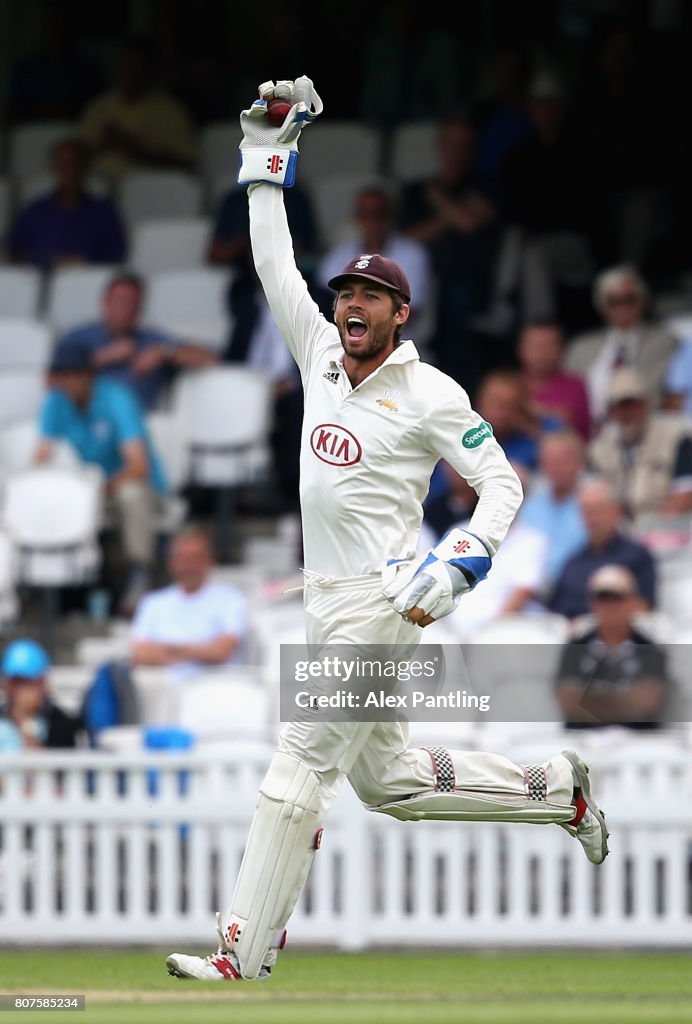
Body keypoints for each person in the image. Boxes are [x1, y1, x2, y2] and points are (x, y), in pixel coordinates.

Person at [166, 76, 609, 986]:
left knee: (296, 769)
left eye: (372, 295)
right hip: (326, 600)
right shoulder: (319, 352)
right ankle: (556, 790)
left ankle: (241, 950)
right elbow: (272, 267)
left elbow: (502, 483)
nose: (352, 305)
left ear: (400, 315)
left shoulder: (430, 391)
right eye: (347, 294)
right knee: (388, 783)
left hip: (382, 601)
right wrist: (263, 165)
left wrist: (459, 568)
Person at [36, 341, 168, 616]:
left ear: (90, 374)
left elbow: (138, 466)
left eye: (75, 373)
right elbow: (41, 460)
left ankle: (140, 573)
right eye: (63, 374)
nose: (69, 381)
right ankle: (55, 588)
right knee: (44, 495)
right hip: (89, 493)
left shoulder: (117, 399)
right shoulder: (55, 402)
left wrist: (96, 490)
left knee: (131, 494)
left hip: (131, 490)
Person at [59, 270, 218, 411]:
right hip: (84, 424)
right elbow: (54, 384)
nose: (126, 310)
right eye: (120, 302)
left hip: (138, 428)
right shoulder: (78, 337)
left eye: (133, 304)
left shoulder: (152, 340)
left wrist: (165, 353)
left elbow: (212, 359)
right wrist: (102, 358)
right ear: (105, 304)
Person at [315, 183, 433, 348]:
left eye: (379, 214)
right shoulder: (338, 256)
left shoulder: (412, 254)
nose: (372, 221)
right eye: (365, 214)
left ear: (391, 217)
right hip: (341, 345)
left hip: (399, 345)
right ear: (356, 218)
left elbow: (410, 313)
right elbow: (320, 306)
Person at [555, 564, 670, 731]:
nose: (611, 605)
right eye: (603, 597)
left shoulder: (651, 650)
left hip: (637, 743)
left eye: (618, 597)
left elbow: (647, 704)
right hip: (582, 742)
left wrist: (590, 700)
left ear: (633, 601)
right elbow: (569, 703)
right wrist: (627, 700)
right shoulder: (575, 648)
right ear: (592, 603)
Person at [130, 523, 248, 681]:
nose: (188, 566)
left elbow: (222, 652)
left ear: (209, 561)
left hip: (215, 690)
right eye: (182, 558)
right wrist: (200, 651)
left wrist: (167, 650)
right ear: (171, 563)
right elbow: (140, 654)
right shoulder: (152, 603)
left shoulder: (232, 599)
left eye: (195, 558)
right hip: (161, 692)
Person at [565, 265, 679, 426]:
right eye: (614, 302)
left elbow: (660, 394)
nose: (623, 307)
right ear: (602, 307)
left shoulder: (663, 342)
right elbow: (568, 396)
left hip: (642, 428)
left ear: (643, 301)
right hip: (587, 430)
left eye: (629, 299)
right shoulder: (581, 348)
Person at [80, 35, 197, 181]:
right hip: (99, 192)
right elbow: (76, 158)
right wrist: (105, 143)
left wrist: (137, 150)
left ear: (150, 71)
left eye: (137, 69)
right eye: (125, 68)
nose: (130, 75)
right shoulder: (99, 107)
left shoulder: (171, 111)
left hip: (152, 192)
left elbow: (188, 165)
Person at [588, 367, 692, 524]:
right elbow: (594, 498)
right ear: (611, 411)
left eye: (633, 404)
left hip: (668, 530)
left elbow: (685, 496)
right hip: (618, 533)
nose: (627, 412)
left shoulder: (676, 437)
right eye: (620, 406)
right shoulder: (601, 447)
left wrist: (651, 529)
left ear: (646, 404)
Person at [8, 136, 127, 272]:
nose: (70, 170)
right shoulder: (34, 211)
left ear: (86, 167)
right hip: (40, 282)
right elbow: (15, 253)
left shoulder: (105, 213)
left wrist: (81, 262)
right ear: (53, 167)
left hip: (89, 284)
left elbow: (115, 257)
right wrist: (48, 260)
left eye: (76, 163)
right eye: (64, 163)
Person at [547, 478, 657, 621]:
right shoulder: (572, 563)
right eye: (586, 513)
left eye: (597, 511)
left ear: (617, 512)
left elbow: (644, 607)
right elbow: (555, 611)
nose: (592, 520)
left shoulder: (637, 556)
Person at [517, 430, 589, 589]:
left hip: (578, 588)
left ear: (579, 463)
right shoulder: (530, 506)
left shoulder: (592, 504)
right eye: (549, 462)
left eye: (562, 461)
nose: (555, 468)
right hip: (532, 590)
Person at [474, 367, 562, 479]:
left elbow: (562, 442)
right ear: (480, 402)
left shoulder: (530, 434)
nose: (500, 413)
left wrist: (534, 423)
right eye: (494, 403)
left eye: (508, 405)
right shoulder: (463, 429)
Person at [0, 639, 84, 751]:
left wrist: (24, 723)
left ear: (42, 684)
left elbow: (51, 766)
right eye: (15, 682)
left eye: (26, 682)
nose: (20, 691)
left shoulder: (62, 724)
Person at [517, 320, 592, 442]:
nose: (541, 352)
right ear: (521, 349)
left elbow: (574, 425)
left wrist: (533, 410)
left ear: (561, 349)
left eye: (548, 345)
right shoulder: (509, 385)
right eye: (535, 346)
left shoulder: (575, 386)